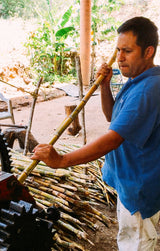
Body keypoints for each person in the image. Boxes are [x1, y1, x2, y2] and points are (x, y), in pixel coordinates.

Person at [31, 16, 160, 251]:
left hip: (140, 186)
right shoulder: (136, 80)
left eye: (127, 51)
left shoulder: (148, 90)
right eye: (118, 50)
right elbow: (113, 117)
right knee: (130, 238)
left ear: (148, 51)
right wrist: (104, 85)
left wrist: (61, 161)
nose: (119, 57)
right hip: (130, 182)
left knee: (138, 243)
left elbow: (113, 138)